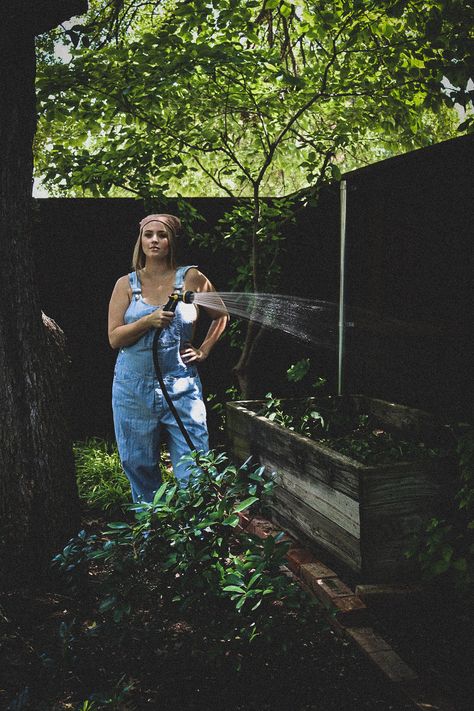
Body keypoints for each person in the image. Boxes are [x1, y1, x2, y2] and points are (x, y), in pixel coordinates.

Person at [108, 213, 228, 502]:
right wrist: (146, 322)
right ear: (141, 240)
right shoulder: (126, 284)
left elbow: (221, 315)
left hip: (181, 386)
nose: (155, 240)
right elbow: (114, 338)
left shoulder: (191, 278)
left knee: (194, 463)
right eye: (149, 235)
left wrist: (204, 349)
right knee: (139, 464)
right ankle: (153, 536)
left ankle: (195, 536)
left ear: (172, 241)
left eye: (162, 235)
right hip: (132, 388)